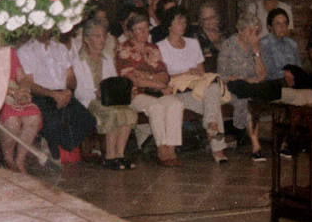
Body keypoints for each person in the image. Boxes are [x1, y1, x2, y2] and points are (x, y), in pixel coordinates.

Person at [156, 7, 229, 163]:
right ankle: (218, 148)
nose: (182, 24)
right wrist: (185, 74)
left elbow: (202, 73)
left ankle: (210, 124)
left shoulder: (192, 43)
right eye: (178, 21)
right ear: (169, 25)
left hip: (197, 90)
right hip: (177, 93)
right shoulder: (161, 47)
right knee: (213, 98)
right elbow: (164, 77)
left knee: (213, 90)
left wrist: (194, 73)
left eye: (184, 21)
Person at [115, 12, 187, 167]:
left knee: (176, 104)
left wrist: (151, 79)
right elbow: (134, 79)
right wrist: (158, 84)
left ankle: (171, 149)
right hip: (135, 94)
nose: (144, 33)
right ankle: (161, 149)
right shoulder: (124, 49)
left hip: (156, 91)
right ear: (130, 32)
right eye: (139, 29)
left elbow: (164, 74)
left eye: (146, 29)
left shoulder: (153, 48)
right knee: (156, 106)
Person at [17, 33, 96, 162]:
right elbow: (29, 84)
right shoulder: (25, 51)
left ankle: (58, 143)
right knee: (54, 122)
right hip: (41, 95)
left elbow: (70, 77)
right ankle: (53, 150)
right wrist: (53, 95)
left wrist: (68, 91)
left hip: (63, 93)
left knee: (88, 120)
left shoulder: (60, 48)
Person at [71, 20, 138, 170]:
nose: (102, 40)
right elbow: (78, 90)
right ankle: (109, 156)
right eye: (97, 36)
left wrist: (124, 92)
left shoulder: (107, 59)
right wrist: (96, 93)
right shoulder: (77, 61)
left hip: (108, 99)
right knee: (113, 113)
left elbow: (113, 81)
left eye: (103, 37)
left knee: (128, 111)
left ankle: (120, 155)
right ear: (87, 39)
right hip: (88, 100)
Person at [218, 12, 278, 160]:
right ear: (240, 30)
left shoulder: (256, 47)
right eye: (250, 31)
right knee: (245, 101)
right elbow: (222, 75)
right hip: (231, 89)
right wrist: (244, 80)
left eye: (256, 31)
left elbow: (262, 75)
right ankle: (255, 145)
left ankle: (281, 143)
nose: (254, 35)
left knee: (263, 96)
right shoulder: (228, 45)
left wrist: (256, 53)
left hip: (251, 89)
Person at [0, 47, 42, 173]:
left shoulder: (9, 50)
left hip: (14, 93)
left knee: (33, 116)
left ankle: (20, 160)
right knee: (12, 121)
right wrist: (12, 92)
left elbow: (23, 78)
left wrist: (23, 91)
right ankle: (8, 159)